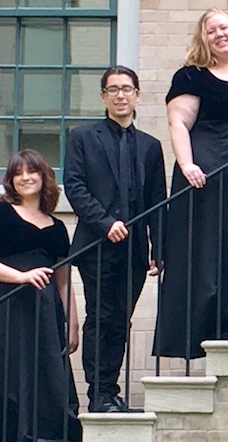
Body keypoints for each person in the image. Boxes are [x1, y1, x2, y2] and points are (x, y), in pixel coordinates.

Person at [153, 10, 228, 352]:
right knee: (214, 247)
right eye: (211, 31)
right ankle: (217, 327)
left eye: (224, 27)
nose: (219, 34)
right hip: (212, 170)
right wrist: (187, 163)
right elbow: (178, 122)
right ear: (203, 39)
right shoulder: (191, 76)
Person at [0, 149, 81, 442]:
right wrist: (20, 276)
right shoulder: (0, 214)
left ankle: (43, 441)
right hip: (5, 309)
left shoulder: (58, 227)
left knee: (45, 376)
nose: (25, 178)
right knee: (6, 380)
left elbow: (63, 279)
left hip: (44, 315)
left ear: (44, 176)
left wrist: (72, 322)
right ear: (11, 180)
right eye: (18, 173)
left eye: (32, 171)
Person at [64, 65, 166, 413]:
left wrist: (159, 249)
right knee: (101, 317)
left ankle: (110, 390)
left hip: (135, 250)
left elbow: (157, 201)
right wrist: (106, 223)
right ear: (103, 96)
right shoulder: (82, 137)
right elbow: (75, 187)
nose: (120, 95)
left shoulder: (150, 147)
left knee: (121, 320)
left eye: (126, 89)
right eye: (113, 89)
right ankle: (99, 392)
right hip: (97, 246)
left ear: (136, 95)